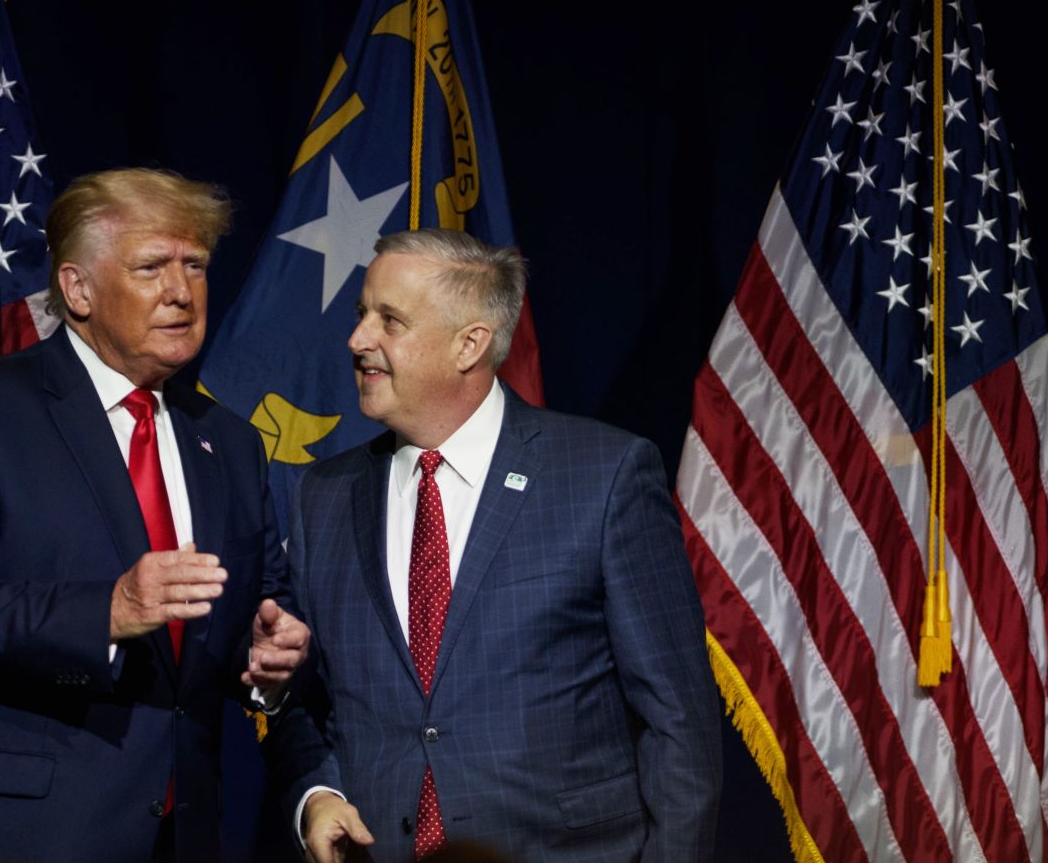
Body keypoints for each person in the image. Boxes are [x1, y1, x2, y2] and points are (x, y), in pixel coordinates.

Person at [0, 168, 308, 862]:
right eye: (152, 267)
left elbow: (247, 612)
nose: (181, 292)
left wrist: (264, 657)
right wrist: (107, 613)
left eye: (196, 266)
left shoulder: (229, 442)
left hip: (177, 838)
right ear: (77, 288)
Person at [271, 229, 723, 862]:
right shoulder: (324, 496)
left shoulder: (603, 476)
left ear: (470, 344)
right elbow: (301, 703)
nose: (358, 340)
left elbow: (680, 725)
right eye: (361, 315)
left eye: (389, 320)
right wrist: (316, 795)